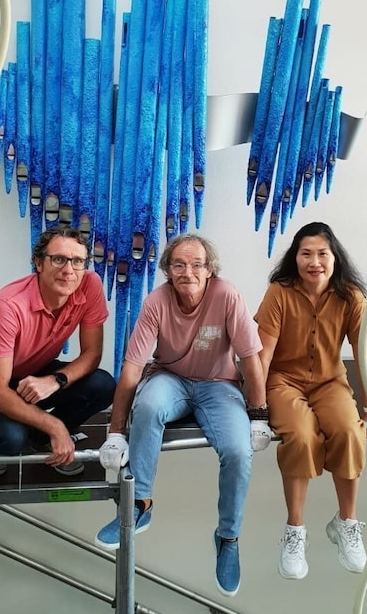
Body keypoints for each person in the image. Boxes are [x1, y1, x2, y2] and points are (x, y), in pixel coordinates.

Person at [95, 233, 271, 598]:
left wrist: (258, 414)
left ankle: (228, 537)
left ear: (210, 271)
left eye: (196, 265)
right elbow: (131, 367)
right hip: (170, 378)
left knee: (240, 452)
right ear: (168, 271)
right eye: (178, 265)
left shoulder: (227, 295)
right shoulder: (156, 302)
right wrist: (115, 431)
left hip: (219, 384)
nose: (187, 271)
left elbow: (251, 361)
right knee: (148, 405)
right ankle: (140, 504)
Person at [254, 221, 367, 580]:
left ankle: (347, 522)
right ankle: (295, 530)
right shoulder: (279, 293)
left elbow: (363, 354)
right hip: (284, 381)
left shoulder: (351, 296)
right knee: (302, 436)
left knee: (348, 432)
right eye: (306, 253)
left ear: (334, 257)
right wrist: (257, 411)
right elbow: (262, 356)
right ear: (295, 258)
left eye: (322, 254)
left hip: (330, 381)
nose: (314, 262)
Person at [0, 226, 116, 476]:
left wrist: (56, 380)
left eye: (77, 261)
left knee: (103, 384)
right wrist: (56, 426)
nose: (68, 270)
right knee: (11, 440)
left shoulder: (89, 284)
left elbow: (92, 354)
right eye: (59, 259)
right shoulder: (7, 306)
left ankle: (42, 438)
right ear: (38, 263)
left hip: (31, 372)